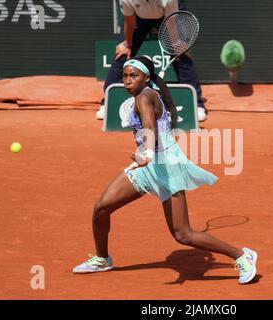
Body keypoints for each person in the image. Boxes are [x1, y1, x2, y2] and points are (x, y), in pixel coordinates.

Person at [74, 56, 258, 284]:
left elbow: (150, 126)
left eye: (134, 76)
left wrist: (148, 154)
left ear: (146, 78)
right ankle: (102, 259)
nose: (127, 81)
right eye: (125, 75)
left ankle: (242, 256)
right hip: (146, 165)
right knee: (102, 208)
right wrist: (146, 156)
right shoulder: (145, 94)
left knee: (183, 234)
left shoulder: (145, 97)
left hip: (166, 167)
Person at [96, 0, 208, 122]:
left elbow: (171, 22)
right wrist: (127, 45)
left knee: (181, 56)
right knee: (122, 54)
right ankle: (107, 102)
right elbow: (130, 21)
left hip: (167, 18)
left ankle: (196, 104)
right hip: (138, 19)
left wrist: (177, 46)